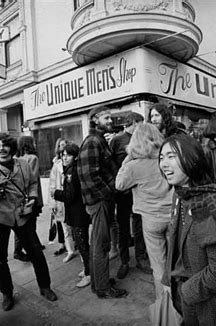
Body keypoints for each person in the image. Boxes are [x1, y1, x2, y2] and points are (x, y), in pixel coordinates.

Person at [159, 134, 216, 325]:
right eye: (161, 157)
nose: (164, 163)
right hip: (187, 299)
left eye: (171, 156)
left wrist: (185, 292)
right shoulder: (181, 194)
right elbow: (175, 242)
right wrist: (168, 280)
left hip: (212, 309)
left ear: (192, 159)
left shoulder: (207, 204)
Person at [0, 132, 57, 311]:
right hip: (0, 218)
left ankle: (45, 286)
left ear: (12, 147)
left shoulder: (23, 164)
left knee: (36, 252)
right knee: (0, 260)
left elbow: (33, 183)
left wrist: (32, 198)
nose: (2, 149)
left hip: (23, 215)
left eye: (5, 145)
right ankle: (7, 293)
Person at [115, 123, 173, 299]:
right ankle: (181, 302)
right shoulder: (165, 160)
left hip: (151, 221)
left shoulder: (134, 166)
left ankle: (166, 307)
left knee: (159, 266)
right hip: (172, 216)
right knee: (176, 261)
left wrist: (127, 160)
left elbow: (119, 184)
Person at [77, 106, 128, 299]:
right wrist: (109, 192)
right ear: (95, 119)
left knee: (98, 242)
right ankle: (103, 287)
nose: (110, 121)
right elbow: (88, 176)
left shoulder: (98, 140)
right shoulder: (92, 141)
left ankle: (99, 281)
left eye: (110, 117)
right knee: (101, 244)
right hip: (99, 201)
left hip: (101, 200)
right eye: (106, 118)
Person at [110, 112, 152, 279]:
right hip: (122, 192)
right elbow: (111, 164)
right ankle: (124, 261)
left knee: (139, 225)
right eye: (140, 123)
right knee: (123, 228)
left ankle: (141, 258)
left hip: (139, 191)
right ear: (134, 123)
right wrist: (120, 183)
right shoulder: (116, 140)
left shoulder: (142, 139)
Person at [53, 143, 92, 288]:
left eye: (68, 155)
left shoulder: (71, 172)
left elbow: (70, 195)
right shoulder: (72, 169)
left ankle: (89, 274)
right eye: (63, 155)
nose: (64, 157)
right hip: (77, 213)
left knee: (82, 245)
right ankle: (88, 269)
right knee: (82, 244)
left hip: (77, 214)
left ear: (75, 156)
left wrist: (55, 193)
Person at [14, 136, 45, 261]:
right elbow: (32, 177)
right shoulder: (33, 158)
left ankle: (29, 246)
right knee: (31, 223)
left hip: (20, 196)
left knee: (23, 223)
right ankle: (27, 248)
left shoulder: (16, 159)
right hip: (32, 196)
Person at [49, 138, 77, 263]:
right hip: (61, 202)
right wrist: (53, 203)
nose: (65, 156)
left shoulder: (75, 167)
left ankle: (82, 252)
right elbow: (52, 184)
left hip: (73, 202)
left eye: (65, 146)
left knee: (77, 229)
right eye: (62, 152)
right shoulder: (57, 166)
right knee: (66, 229)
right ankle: (70, 250)